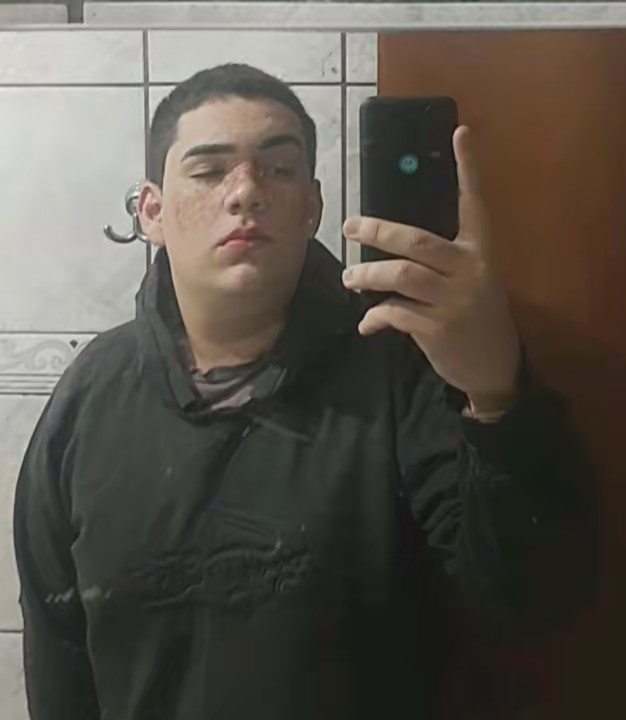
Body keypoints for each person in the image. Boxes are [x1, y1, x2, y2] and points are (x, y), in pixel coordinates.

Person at [14, 63, 596, 720]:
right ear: (151, 211)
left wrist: (496, 395)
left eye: (279, 168)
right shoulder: (89, 397)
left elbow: (529, 604)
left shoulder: (400, 366)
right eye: (209, 171)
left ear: (313, 208)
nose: (246, 192)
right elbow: (57, 656)